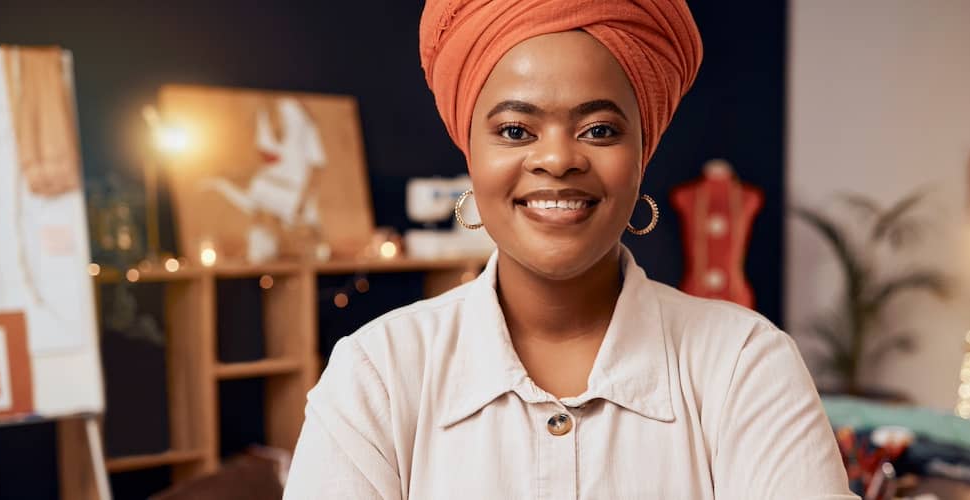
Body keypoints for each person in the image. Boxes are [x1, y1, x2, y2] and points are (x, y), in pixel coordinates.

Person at [283, 1, 854, 498]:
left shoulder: (744, 365)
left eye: (599, 130)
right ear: (471, 155)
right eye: (514, 131)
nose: (557, 159)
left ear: (641, 156)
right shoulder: (376, 375)